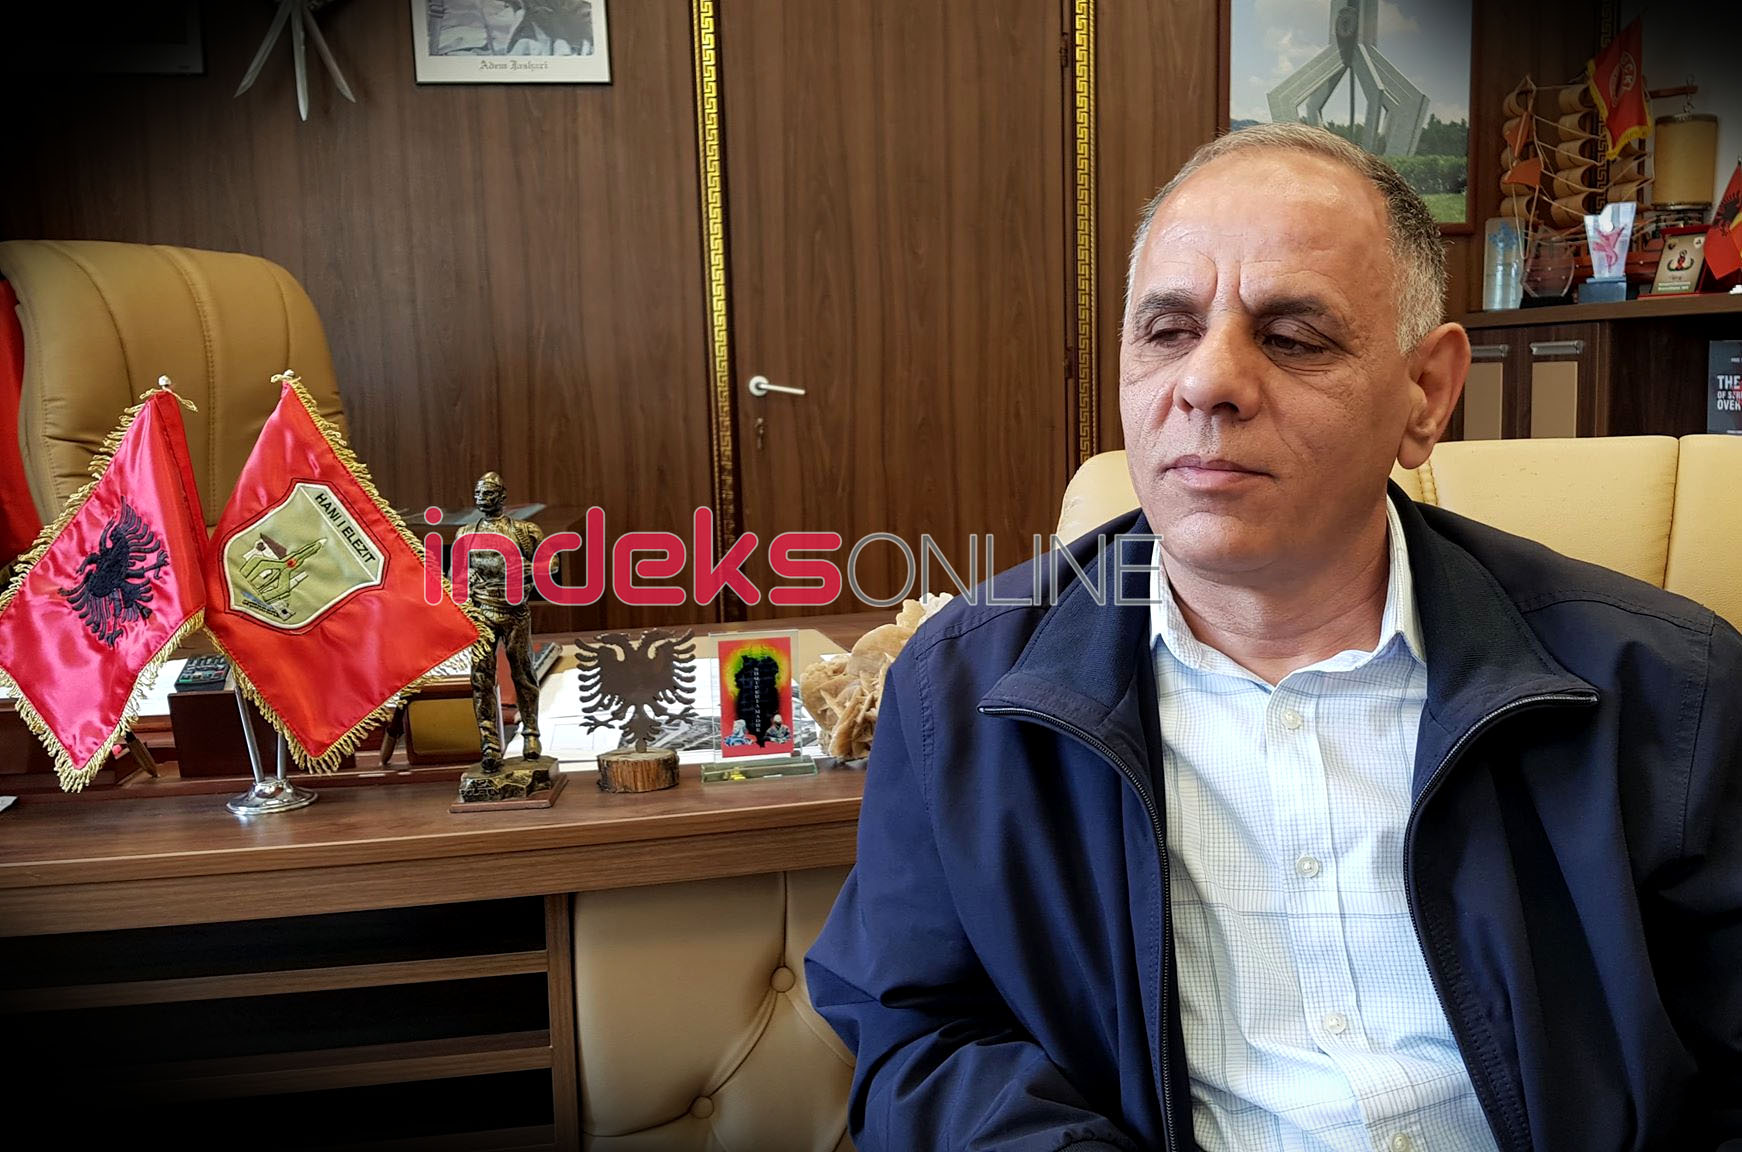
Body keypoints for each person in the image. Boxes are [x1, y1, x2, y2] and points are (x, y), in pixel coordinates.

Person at [805, 123, 1742, 1152]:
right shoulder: (958, 689)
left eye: (1292, 338)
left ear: (1425, 395)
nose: (1206, 382)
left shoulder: (1671, 690)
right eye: (1167, 331)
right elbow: (917, 1032)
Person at [455, 471, 544, 771]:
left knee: (523, 674)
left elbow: (551, 563)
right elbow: (456, 577)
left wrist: (528, 569)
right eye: (479, 493)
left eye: (489, 493)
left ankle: (531, 734)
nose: (482, 498)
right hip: (481, 612)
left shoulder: (525, 531)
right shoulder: (466, 534)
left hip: (515, 612)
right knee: (481, 678)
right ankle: (489, 744)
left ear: (503, 497)